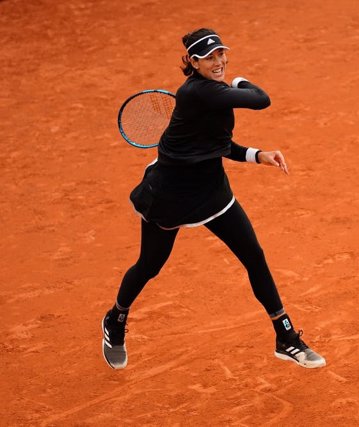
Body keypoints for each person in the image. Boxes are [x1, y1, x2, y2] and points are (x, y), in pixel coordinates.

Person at [101, 28, 326, 370]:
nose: (219, 61)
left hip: (211, 192)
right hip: (170, 195)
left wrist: (257, 154)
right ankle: (115, 318)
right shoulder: (197, 93)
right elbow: (260, 98)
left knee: (253, 255)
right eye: (209, 57)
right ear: (193, 62)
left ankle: (285, 336)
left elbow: (219, 145)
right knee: (150, 265)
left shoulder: (212, 96)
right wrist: (238, 80)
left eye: (221, 53)